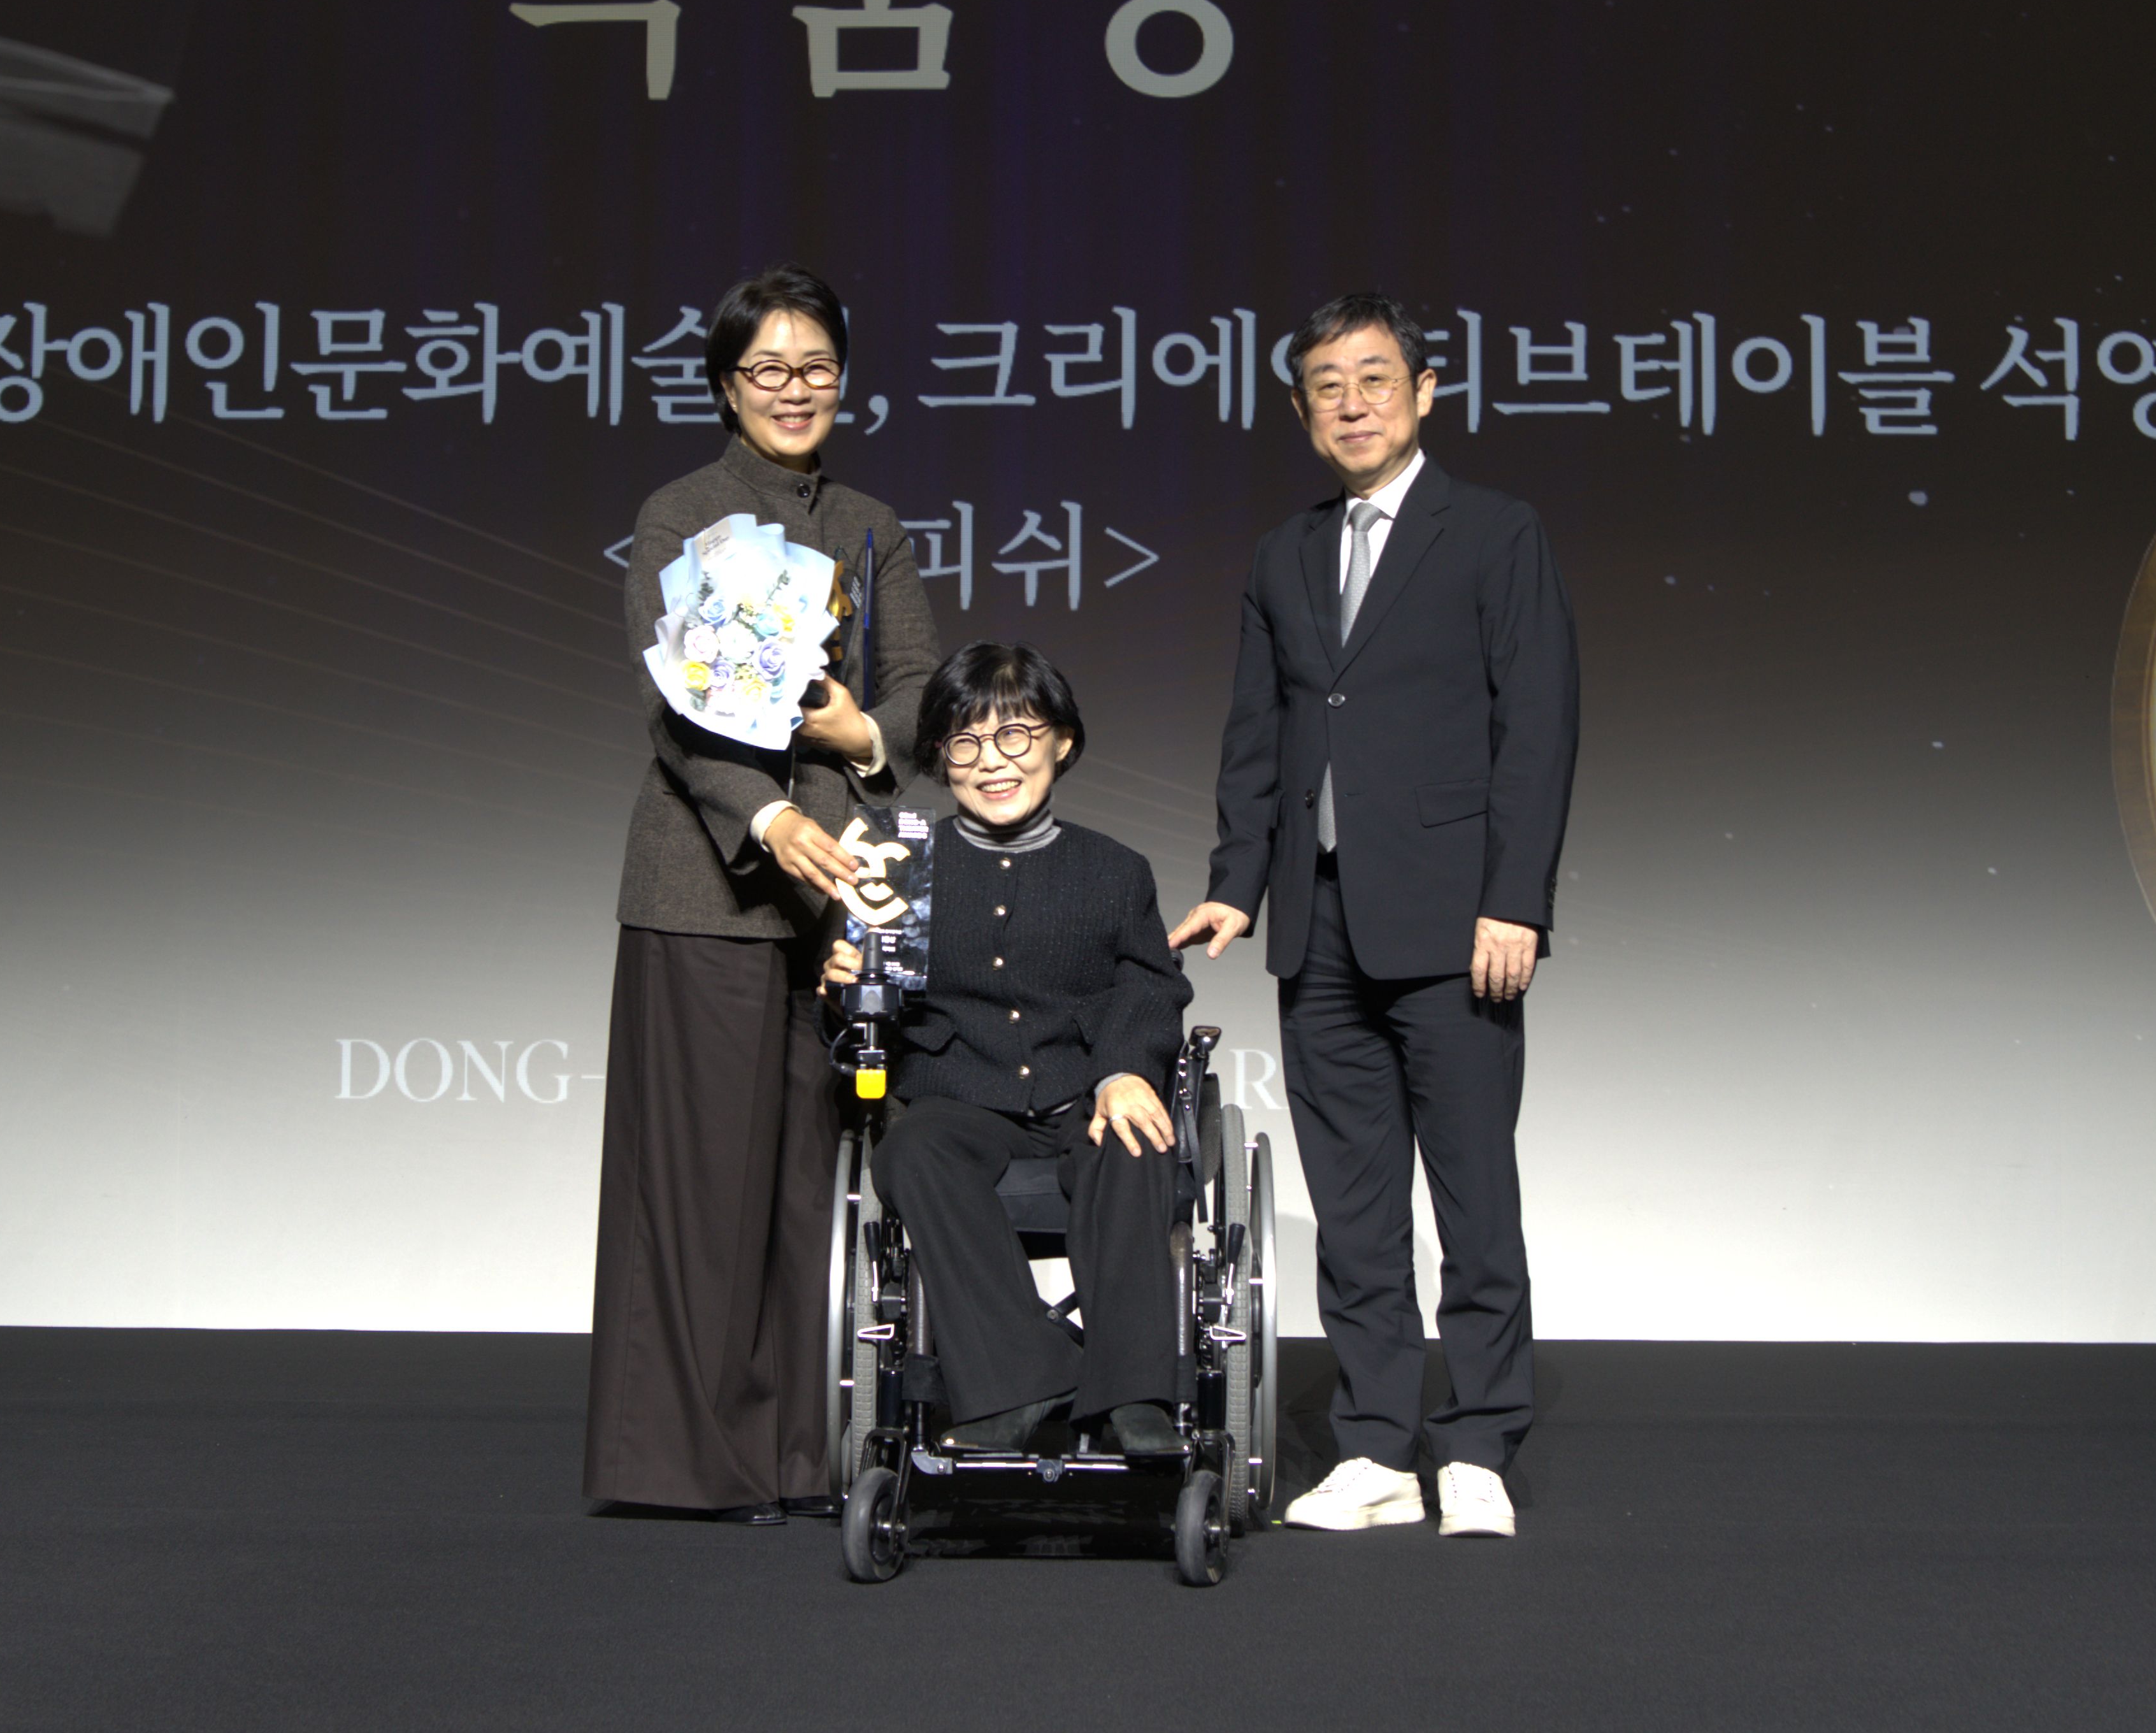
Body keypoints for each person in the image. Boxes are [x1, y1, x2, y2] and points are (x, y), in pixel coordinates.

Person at [1169, 291, 1579, 1537]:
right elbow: (1259, 733)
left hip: (1457, 923)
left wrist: (1514, 899)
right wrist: (1237, 879)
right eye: (1326, 387)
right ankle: (1375, 1447)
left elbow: (1538, 727)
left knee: (1472, 1196)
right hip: (1320, 920)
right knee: (1353, 1206)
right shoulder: (1283, 553)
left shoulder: (1495, 531)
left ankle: (1479, 1444)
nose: (1351, 404)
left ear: (1425, 389)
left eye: (1373, 378)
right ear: (1300, 409)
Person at [585, 265, 938, 1519]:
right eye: (768, 370)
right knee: (701, 1187)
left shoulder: (872, 522)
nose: (796, 390)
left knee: (810, 1184)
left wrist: (860, 734)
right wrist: (770, 814)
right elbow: (676, 714)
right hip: (710, 885)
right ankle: (686, 1465)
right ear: (726, 386)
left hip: (841, 893)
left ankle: (799, 1453)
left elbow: (920, 687)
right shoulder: (682, 511)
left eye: (817, 367)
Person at [823, 645, 1194, 1453]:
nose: (992, 761)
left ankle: (1135, 1395)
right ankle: (1023, 1377)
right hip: (960, 1095)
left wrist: (1125, 1071)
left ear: (1062, 741)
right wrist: (846, 984)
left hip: (1080, 1089)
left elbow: (1148, 987)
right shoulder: (898, 865)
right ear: (939, 758)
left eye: (1016, 735)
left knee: (1134, 1137)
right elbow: (863, 1023)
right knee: (911, 1149)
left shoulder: (1114, 871)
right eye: (965, 742)